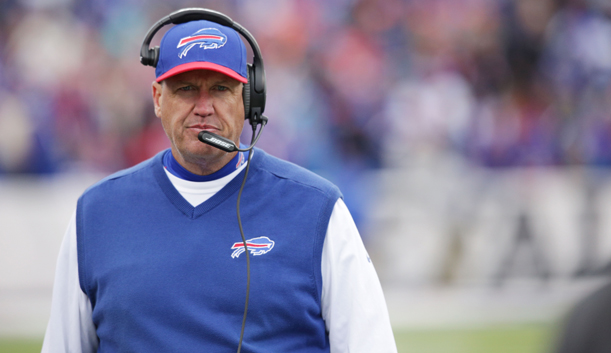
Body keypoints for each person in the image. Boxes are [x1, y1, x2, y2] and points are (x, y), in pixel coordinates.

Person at [41, 8, 397, 353]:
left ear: (249, 100)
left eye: (221, 89)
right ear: (157, 99)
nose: (204, 107)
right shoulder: (96, 213)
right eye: (185, 89)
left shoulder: (318, 210)